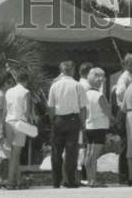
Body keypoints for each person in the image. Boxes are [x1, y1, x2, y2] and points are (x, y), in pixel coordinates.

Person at [47, 60, 88, 188]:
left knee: (56, 152)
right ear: (72, 70)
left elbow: (51, 107)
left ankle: (56, 181)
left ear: (61, 70)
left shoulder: (54, 86)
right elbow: (82, 108)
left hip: (58, 119)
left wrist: (53, 120)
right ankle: (70, 180)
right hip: (72, 119)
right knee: (71, 152)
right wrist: (82, 123)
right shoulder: (77, 85)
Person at [111, 53, 132, 184]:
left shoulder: (131, 77)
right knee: (126, 145)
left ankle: (130, 175)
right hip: (124, 112)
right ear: (128, 64)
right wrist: (128, 103)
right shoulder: (125, 78)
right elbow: (120, 92)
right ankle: (124, 176)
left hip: (127, 111)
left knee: (130, 144)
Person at [3, 69, 32, 189]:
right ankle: (10, 182)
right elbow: (26, 110)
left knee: (13, 154)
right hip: (20, 123)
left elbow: (5, 110)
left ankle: (19, 179)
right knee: (16, 154)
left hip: (9, 121)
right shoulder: (26, 92)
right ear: (26, 81)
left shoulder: (8, 91)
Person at [83, 67, 111, 187]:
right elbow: (107, 112)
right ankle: (93, 180)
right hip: (99, 127)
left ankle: (90, 179)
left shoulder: (86, 94)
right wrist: (113, 118)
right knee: (94, 155)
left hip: (89, 126)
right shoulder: (99, 96)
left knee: (89, 154)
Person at [0, 74, 13, 188]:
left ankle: (1, 178)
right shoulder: (0, 95)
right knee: (3, 153)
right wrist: (2, 129)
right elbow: (0, 114)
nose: (11, 85)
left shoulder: (1, 94)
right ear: (5, 83)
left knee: (3, 152)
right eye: (9, 83)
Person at [77, 62, 94, 182]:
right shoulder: (87, 86)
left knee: (81, 148)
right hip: (87, 120)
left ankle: (80, 175)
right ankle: (85, 175)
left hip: (80, 119)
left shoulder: (78, 84)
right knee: (86, 148)